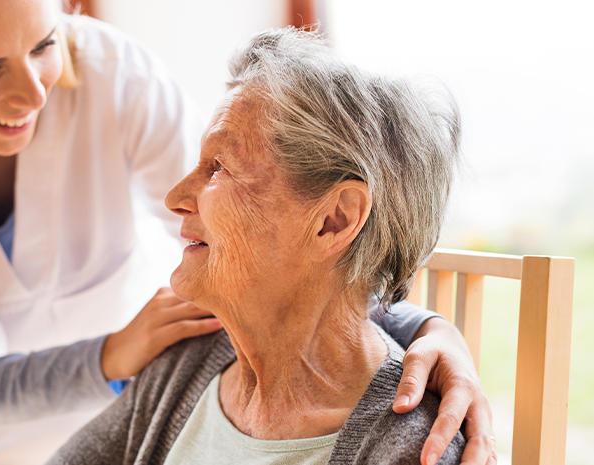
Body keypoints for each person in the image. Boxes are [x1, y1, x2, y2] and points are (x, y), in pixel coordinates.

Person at [0, 1, 494, 464]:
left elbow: (283, 241)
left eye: (45, 43)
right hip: (16, 427)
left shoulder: (111, 73)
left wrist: (421, 324)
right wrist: (113, 358)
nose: (36, 92)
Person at [48, 28, 475, 465]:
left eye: (218, 168)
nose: (176, 197)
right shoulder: (188, 361)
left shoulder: (411, 448)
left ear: (334, 221)